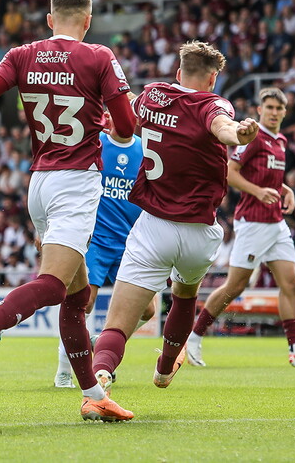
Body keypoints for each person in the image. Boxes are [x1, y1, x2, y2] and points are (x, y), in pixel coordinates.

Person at [0, 0, 137, 422]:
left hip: (39, 183)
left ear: (50, 19)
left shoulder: (22, 54)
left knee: (77, 297)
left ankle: (93, 394)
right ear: (88, 21)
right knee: (55, 286)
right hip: (76, 182)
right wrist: (111, 124)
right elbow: (128, 129)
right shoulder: (99, 56)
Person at [90, 40, 259, 394]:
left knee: (117, 324)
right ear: (213, 78)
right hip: (200, 232)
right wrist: (239, 134)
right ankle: (165, 370)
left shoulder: (151, 95)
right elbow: (222, 127)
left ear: (179, 72)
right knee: (185, 295)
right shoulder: (214, 103)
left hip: (154, 227)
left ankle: (101, 379)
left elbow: (126, 122)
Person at [185, 87, 295, 367]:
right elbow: (230, 172)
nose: (274, 112)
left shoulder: (281, 140)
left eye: (279, 108)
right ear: (260, 110)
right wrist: (258, 191)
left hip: (275, 222)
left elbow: (269, 178)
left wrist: (284, 189)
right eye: (270, 107)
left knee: (290, 282)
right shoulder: (252, 138)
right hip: (252, 222)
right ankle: (193, 338)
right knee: (235, 286)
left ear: (285, 112)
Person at [53, 111, 153, 389]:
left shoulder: (146, 150)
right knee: (83, 302)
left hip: (131, 241)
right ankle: (64, 369)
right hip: (95, 238)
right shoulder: (96, 142)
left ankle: (103, 341)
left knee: (148, 311)